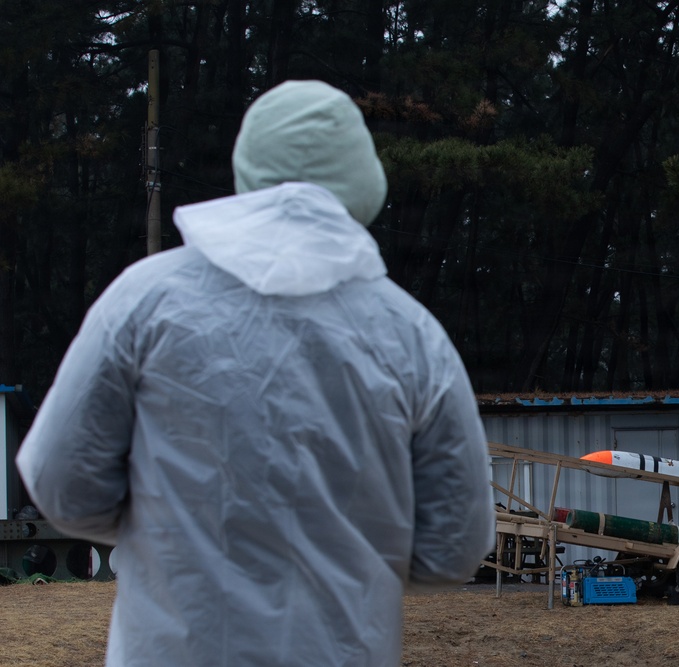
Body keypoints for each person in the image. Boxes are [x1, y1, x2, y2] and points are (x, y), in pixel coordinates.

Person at [16, 80, 496, 666]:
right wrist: (352, 559)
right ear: (364, 178)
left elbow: (62, 485)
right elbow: (455, 546)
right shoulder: (412, 335)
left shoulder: (145, 302)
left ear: (247, 167)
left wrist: (179, 532)